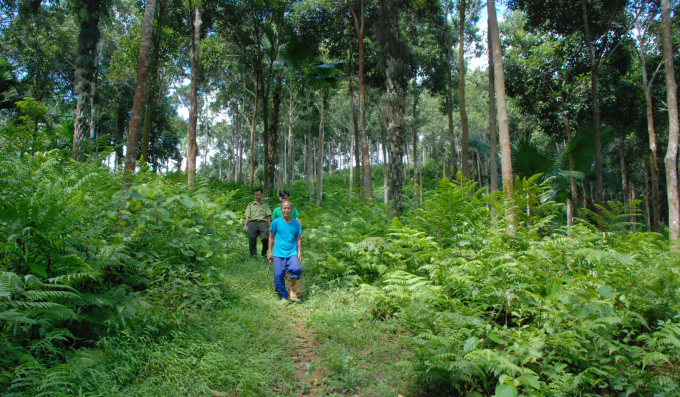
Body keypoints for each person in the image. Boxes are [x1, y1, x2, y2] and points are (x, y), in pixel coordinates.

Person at [267, 201, 302, 300]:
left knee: (297, 268)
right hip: (278, 252)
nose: (286, 210)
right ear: (281, 209)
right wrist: (270, 252)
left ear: (292, 210)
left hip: (292, 252)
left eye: (289, 208)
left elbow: (298, 238)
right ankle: (283, 295)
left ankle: (291, 289)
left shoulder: (296, 223)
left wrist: (299, 252)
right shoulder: (276, 222)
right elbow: (271, 237)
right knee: (278, 276)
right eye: (284, 208)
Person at [243, 188, 272, 257]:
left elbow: (268, 216)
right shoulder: (250, 205)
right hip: (252, 223)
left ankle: (264, 253)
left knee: (265, 238)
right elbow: (248, 216)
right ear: (254, 195)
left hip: (262, 222)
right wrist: (245, 226)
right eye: (256, 195)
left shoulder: (265, 205)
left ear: (261, 194)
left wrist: (270, 226)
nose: (257, 196)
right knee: (252, 238)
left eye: (259, 195)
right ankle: (253, 255)